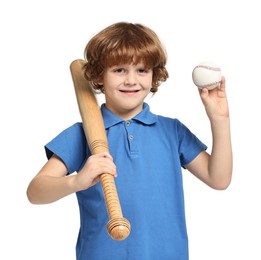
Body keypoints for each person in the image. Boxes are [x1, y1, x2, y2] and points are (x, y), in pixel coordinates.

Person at [26, 22, 233, 260]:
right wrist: (77, 181)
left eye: (142, 70)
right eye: (119, 70)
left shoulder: (171, 130)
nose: (131, 80)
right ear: (98, 76)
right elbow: (35, 191)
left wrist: (220, 119)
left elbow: (218, 179)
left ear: (155, 75)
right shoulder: (80, 134)